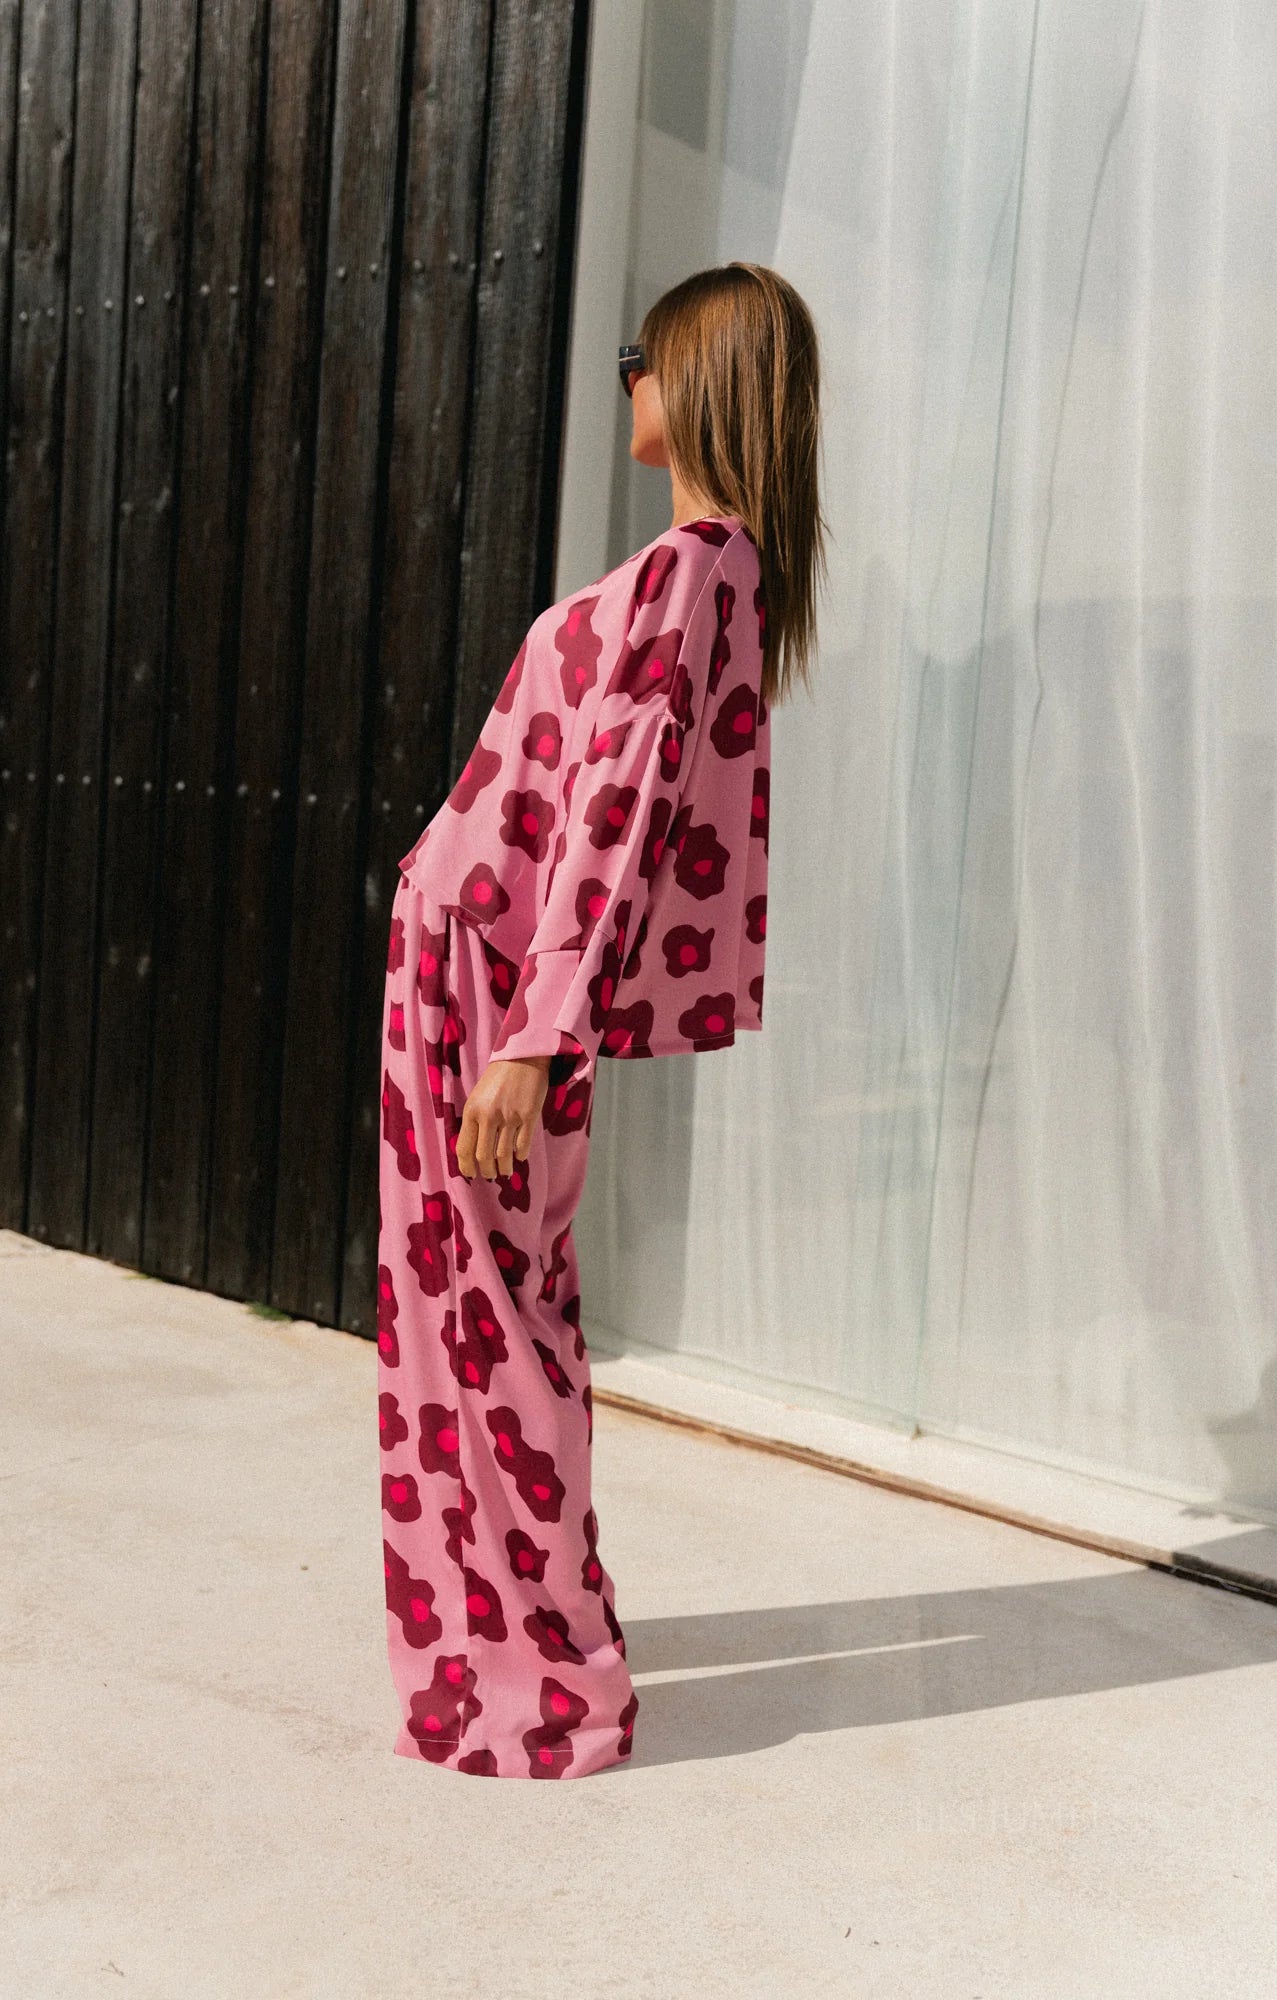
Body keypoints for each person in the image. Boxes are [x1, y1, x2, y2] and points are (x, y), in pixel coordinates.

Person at [376, 261, 826, 1778]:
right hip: (485, 969)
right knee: (475, 1314)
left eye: (642, 351)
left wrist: (533, 1036)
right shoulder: (708, 571)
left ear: (697, 374)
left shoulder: (694, 570)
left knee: (493, 1325)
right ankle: (495, 1632)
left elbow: (617, 818)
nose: (624, 375)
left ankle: (542, 1681)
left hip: (497, 984)